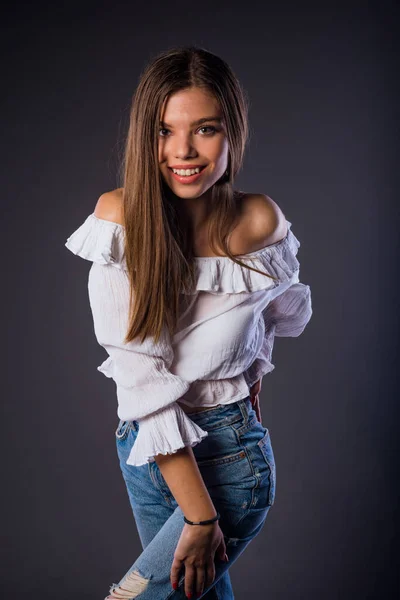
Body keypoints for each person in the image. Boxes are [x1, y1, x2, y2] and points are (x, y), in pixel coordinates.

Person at [65, 45, 313, 600]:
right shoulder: (120, 219)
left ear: (232, 132)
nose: (182, 151)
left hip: (229, 459)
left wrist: (205, 516)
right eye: (163, 130)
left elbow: (267, 321)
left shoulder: (258, 221)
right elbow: (143, 385)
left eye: (204, 129)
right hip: (148, 451)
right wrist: (200, 522)